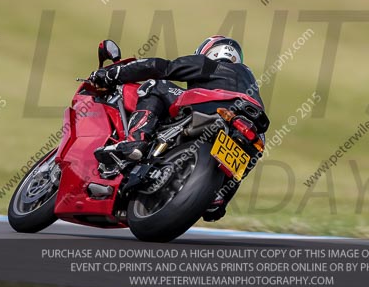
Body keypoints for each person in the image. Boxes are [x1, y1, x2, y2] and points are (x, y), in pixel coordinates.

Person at [89, 36, 267, 221]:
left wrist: (113, 74)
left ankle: (136, 141)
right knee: (246, 157)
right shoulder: (250, 80)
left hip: (214, 108)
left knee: (157, 84)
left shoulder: (210, 64)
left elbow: (160, 67)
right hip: (254, 127)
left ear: (210, 51)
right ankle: (220, 196)